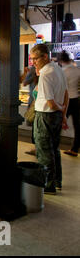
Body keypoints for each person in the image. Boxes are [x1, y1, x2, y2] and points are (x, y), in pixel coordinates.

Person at [30, 44, 69, 194]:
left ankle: (48, 185)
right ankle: (57, 181)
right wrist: (63, 113)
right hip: (56, 117)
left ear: (45, 56)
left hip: (45, 115)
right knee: (54, 149)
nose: (33, 62)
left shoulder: (46, 74)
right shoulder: (58, 69)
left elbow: (51, 103)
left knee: (44, 151)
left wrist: (60, 108)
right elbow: (66, 94)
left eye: (35, 59)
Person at [59, 51, 80, 157]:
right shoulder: (77, 70)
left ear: (61, 60)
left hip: (66, 100)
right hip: (76, 100)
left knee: (58, 125)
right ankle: (75, 149)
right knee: (77, 126)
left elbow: (61, 89)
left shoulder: (63, 71)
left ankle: (53, 146)